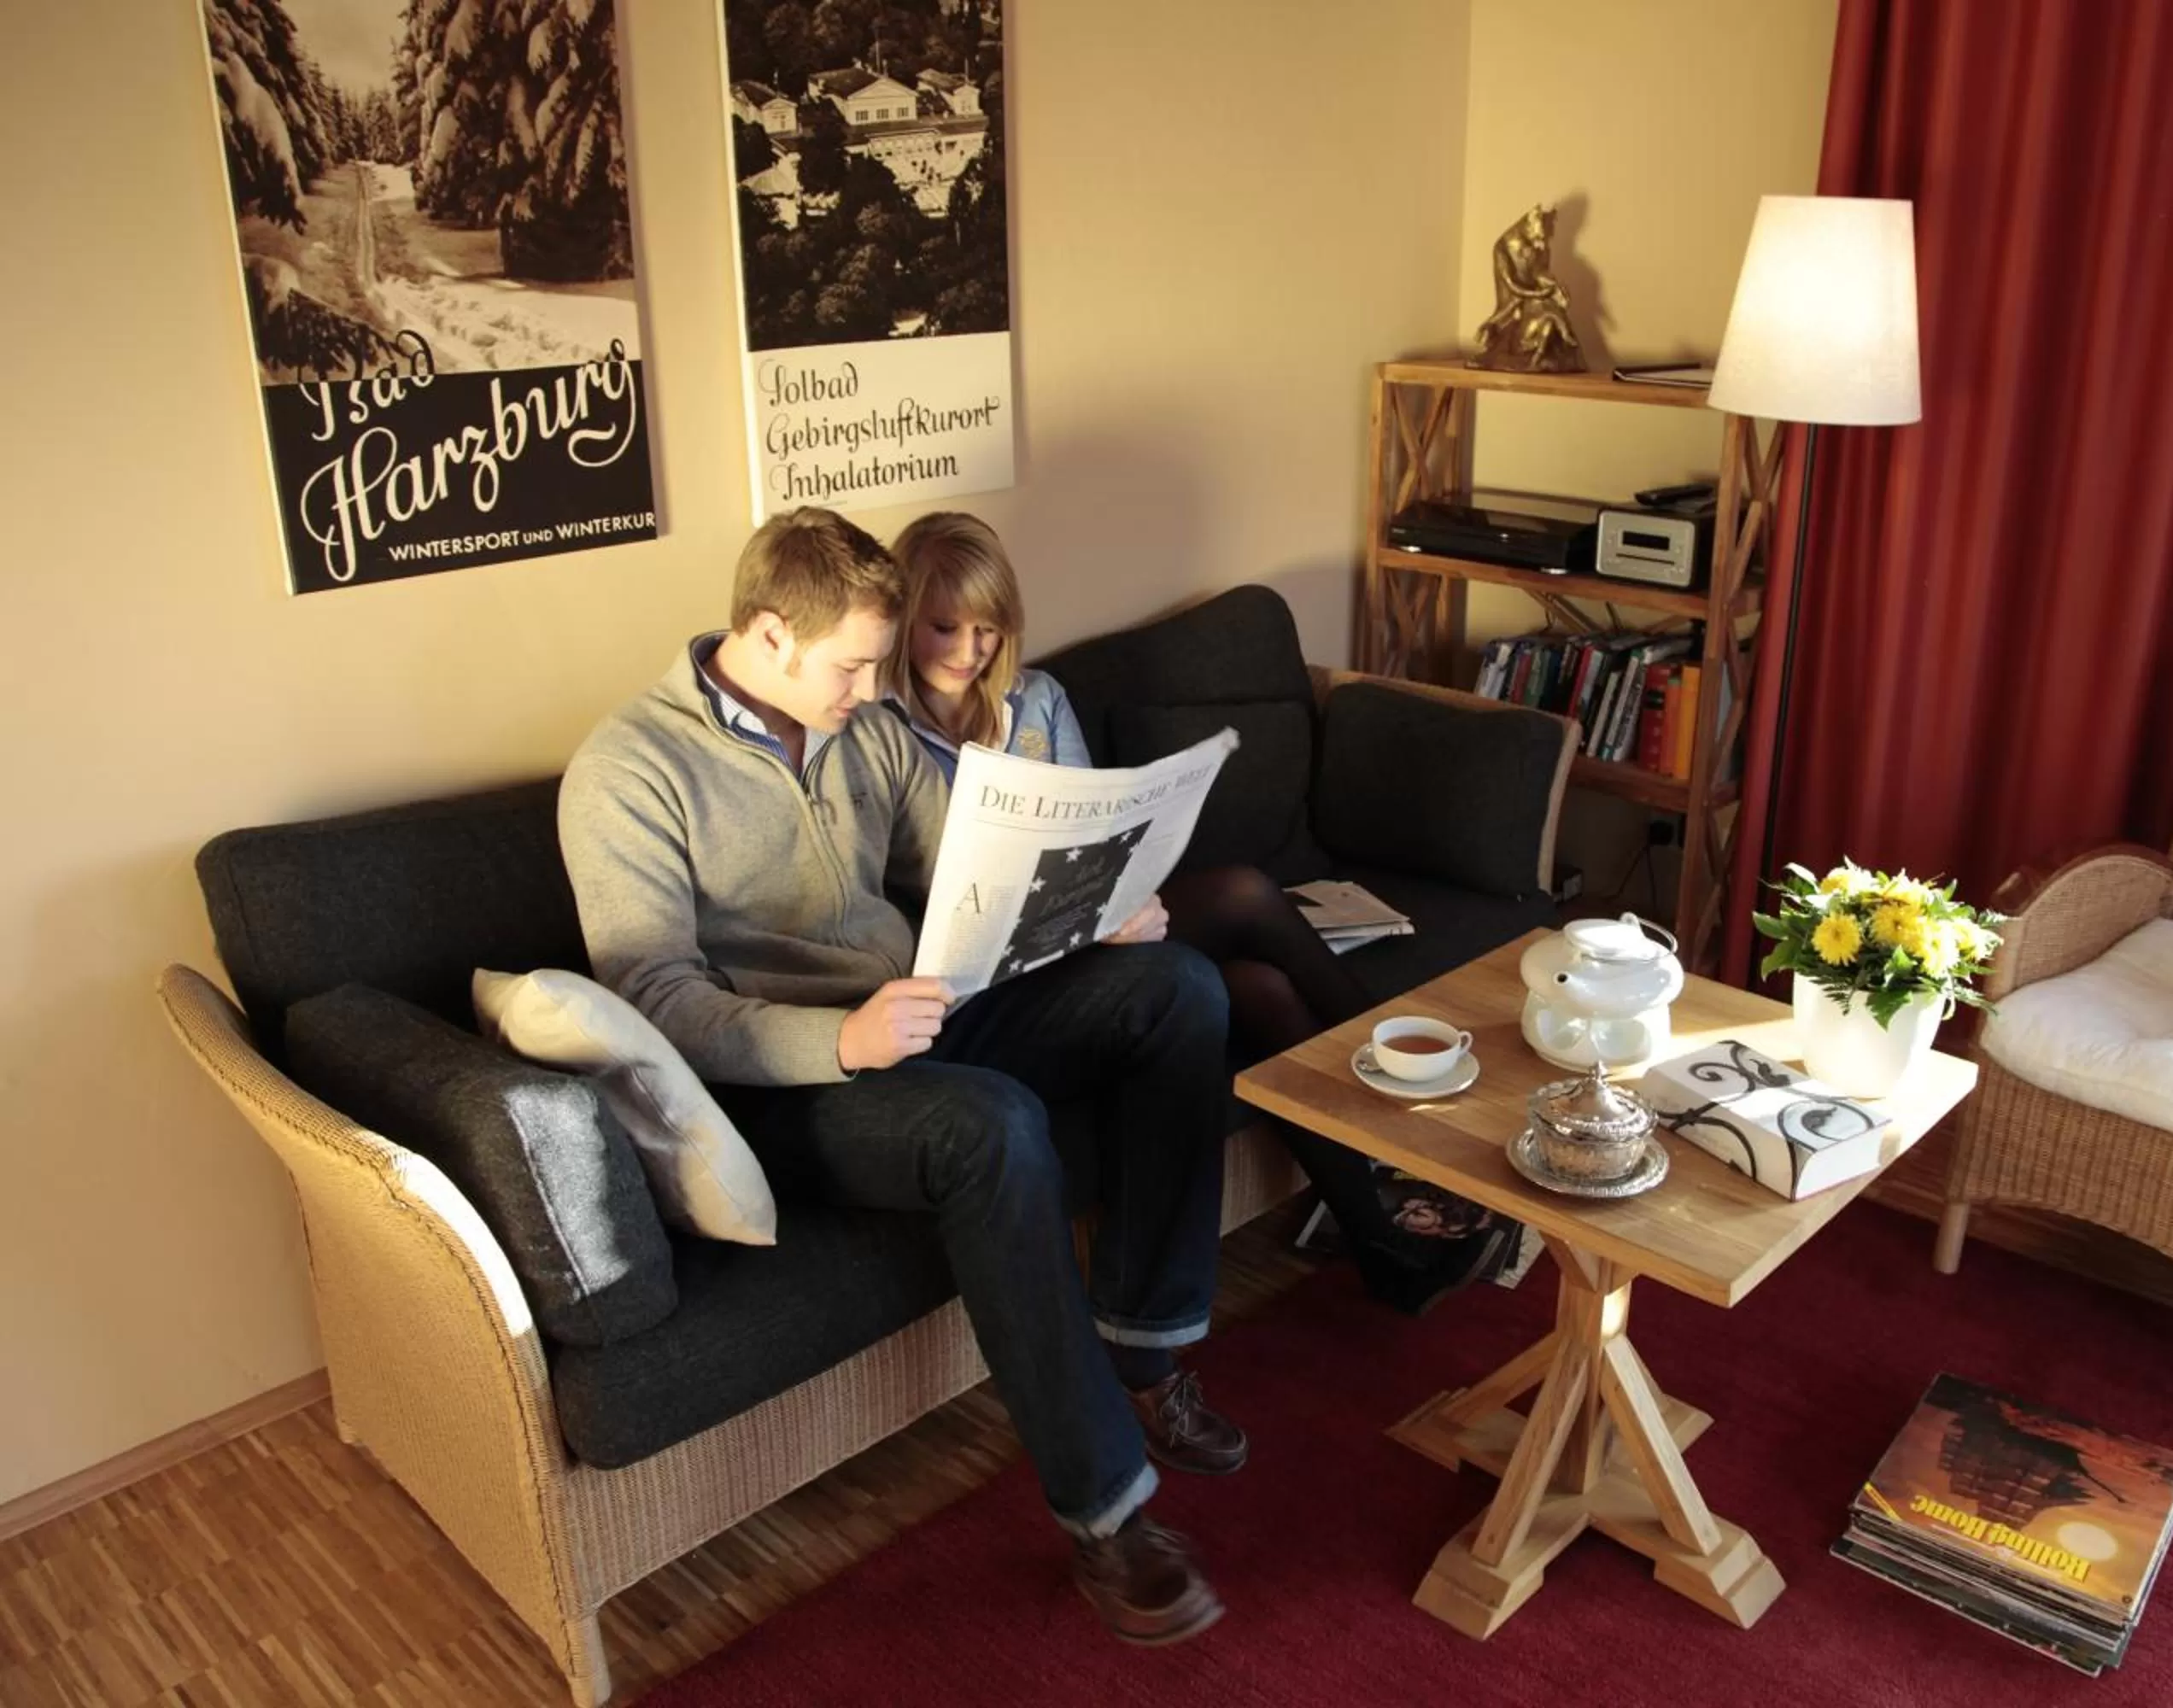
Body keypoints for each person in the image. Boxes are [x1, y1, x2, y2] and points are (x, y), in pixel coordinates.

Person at [559, 507, 1241, 1647]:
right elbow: (654, 1002)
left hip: (912, 1017)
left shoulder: (858, 730)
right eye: (853, 665)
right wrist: (838, 1043)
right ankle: (1109, 1515)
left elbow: (968, 857)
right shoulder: (629, 772)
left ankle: (1147, 1345)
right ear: (768, 634)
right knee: (993, 1125)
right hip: (777, 1087)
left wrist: (1094, 900)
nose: (874, 688)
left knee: (1177, 991)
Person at [882, 510, 1519, 1313]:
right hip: (995, 981)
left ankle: (1378, 1236)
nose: (970, 650)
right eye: (946, 627)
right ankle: (1423, 1110)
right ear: (905, 617)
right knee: (1243, 897)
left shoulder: (1034, 699)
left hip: (1084, 933)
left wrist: (1122, 901)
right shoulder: (877, 733)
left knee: (1259, 983)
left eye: (989, 628)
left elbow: (1096, 831)